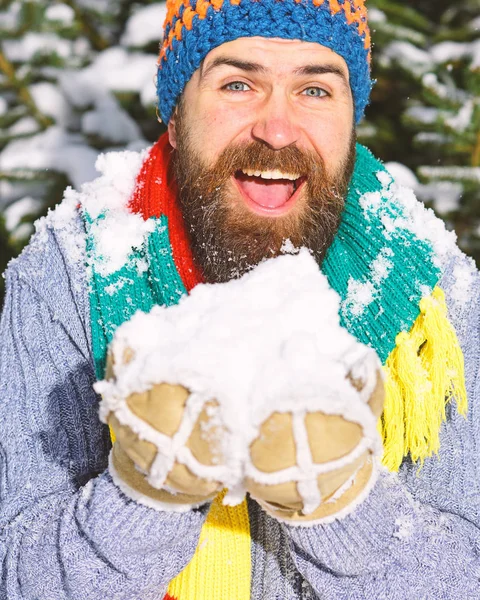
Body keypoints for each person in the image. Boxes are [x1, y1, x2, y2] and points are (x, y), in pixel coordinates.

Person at [1, 0, 480, 598]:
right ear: (176, 116)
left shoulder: (429, 290)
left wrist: (342, 501)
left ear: (351, 116)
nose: (276, 129)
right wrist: (146, 495)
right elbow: (14, 572)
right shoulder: (71, 271)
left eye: (315, 90)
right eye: (237, 83)